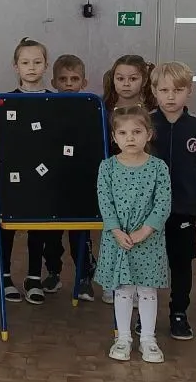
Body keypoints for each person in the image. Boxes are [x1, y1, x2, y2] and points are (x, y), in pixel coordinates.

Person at [95, 106, 172, 364]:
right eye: (123, 133)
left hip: (148, 239)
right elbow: (105, 202)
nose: (130, 138)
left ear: (148, 134)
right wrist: (116, 230)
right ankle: (123, 337)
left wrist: (145, 230)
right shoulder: (107, 167)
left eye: (137, 132)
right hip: (118, 239)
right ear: (114, 137)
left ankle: (148, 338)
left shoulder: (158, 168)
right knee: (123, 289)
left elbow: (163, 203)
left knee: (147, 290)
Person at [150, 62, 196, 342]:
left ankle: (179, 313)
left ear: (189, 91)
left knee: (181, 263)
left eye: (177, 90)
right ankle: (145, 316)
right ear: (154, 91)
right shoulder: (144, 124)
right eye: (164, 90)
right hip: (147, 213)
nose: (170, 96)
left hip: (183, 210)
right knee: (148, 264)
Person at [0, 38, 56, 304]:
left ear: (46, 65)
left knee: (39, 226)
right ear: (16, 66)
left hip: (44, 176)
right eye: (25, 62)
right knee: (7, 226)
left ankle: (34, 277)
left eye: (37, 62)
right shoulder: (5, 102)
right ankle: (5, 275)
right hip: (13, 173)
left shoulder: (55, 101)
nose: (31, 67)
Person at [98, 55, 156, 304]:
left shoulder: (152, 112)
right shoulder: (102, 109)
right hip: (113, 179)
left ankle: (139, 285)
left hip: (142, 182)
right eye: (120, 78)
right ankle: (112, 283)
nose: (126, 83)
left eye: (133, 78)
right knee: (114, 233)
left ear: (144, 80)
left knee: (139, 236)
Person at [47, 54, 94, 299]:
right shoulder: (47, 107)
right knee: (51, 234)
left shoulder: (91, 107)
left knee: (80, 234)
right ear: (53, 82)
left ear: (83, 82)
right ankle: (53, 272)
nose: (68, 84)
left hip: (81, 182)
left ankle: (84, 277)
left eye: (74, 79)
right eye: (63, 79)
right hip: (54, 181)